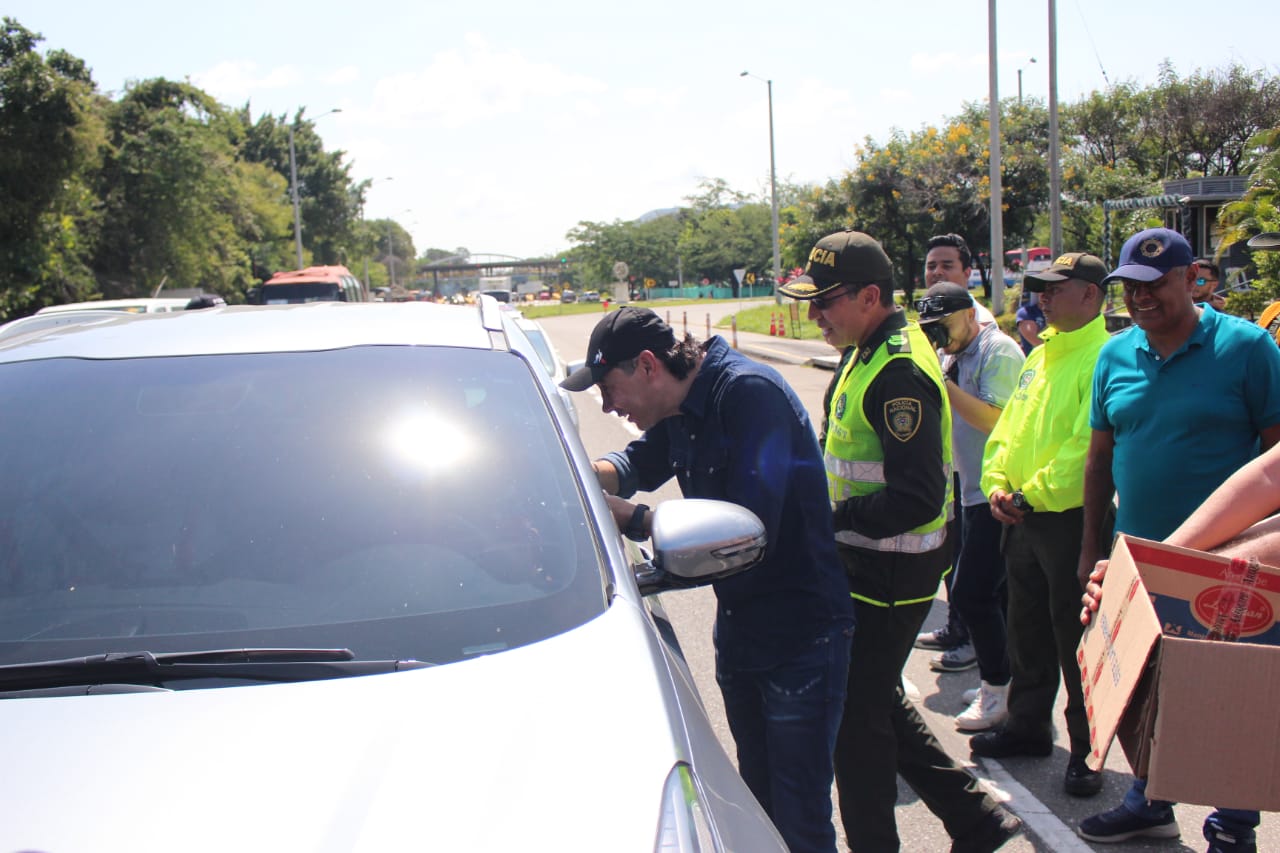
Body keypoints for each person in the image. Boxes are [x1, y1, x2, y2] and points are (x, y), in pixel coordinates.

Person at [559, 307, 855, 853]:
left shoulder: (747, 394)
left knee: (798, 821)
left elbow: (741, 531)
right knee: (759, 810)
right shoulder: (679, 400)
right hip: (744, 630)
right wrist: (567, 471)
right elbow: (635, 462)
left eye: (609, 388)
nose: (608, 406)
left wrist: (638, 520)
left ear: (647, 365)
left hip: (800, 639)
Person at [782, 230, 1021, 853]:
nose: (813, 315)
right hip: (865, 561)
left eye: (824, 300)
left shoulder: (899, 370)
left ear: (869, 295)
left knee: (854, 726)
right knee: (877, 700)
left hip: (891, 571)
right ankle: (975, 819)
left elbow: (914, 497)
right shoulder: (864, 347)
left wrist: (824, 519)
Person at [1076, 227, 1280, 852]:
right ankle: (1148, 801)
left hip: (1231, 568)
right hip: (1138, 556)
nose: (1140, 299)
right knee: (1145, 689)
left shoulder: (1247, 349)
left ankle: (1232, 826)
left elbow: (1272, 460)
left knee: (1231, 697)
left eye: (1155, 285)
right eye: (1129, 288)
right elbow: (1099, 459)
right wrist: (1093, 549)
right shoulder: (1113, 356)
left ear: (1192, 277)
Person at [969, 251, 1112, 800]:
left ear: (1091, 296)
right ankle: (1028, 726)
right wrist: (999, 482)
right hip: (1022, 516)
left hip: (1071, 519)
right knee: (1024, 627)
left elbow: (1089, 449)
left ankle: (1087, 750)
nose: (1043, 297)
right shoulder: (1040, 354)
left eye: (1056, 288)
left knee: (1073, 638)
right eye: (1041, 289)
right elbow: (1007, 429)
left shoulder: (1102, 355)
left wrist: (1031, 494)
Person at [915, 282, 1025, 731]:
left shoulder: (997, 351)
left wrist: (942, 385)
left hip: (997, 490)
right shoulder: (954, 354)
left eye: (941, 325)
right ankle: (1004, 688)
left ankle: (997, 687)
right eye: (929, 329)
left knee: (971, 593)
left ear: (968, 313)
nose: (937, 336)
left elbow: (996, 420)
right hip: (966, 487)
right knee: (992, 595)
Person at [914, 232, 990, 671]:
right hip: (951, 468)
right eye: (931, 266)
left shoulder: (980, 330)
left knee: (973, 570)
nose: (937, 273)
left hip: (979, 472)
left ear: (967, 273)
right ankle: (956, 627)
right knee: (952, 556)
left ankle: (975, 643)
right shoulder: (932, 323)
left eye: (946, 265)